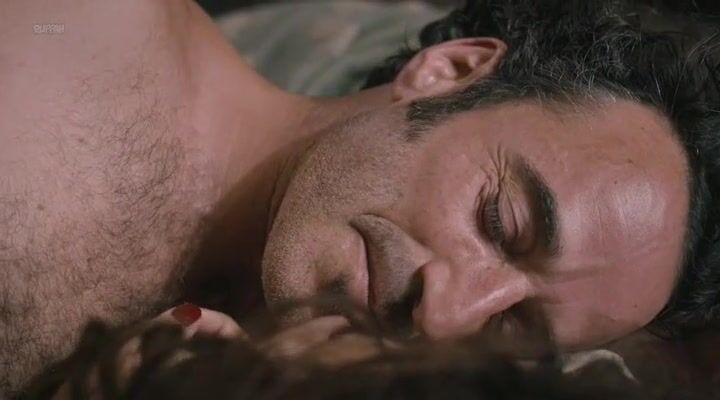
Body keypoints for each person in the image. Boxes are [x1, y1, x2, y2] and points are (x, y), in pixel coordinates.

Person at [1, 0, 719, 396]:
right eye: (499, 222)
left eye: (514, 324)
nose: (446, 314)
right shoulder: (77, 31)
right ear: (448, 71)